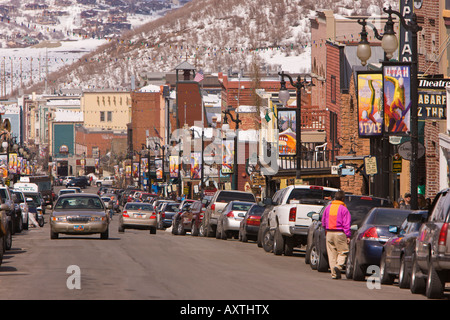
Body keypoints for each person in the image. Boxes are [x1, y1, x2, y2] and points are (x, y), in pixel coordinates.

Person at [321, 190, 351, 279]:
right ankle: (338, 267)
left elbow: (323, 221)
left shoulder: (328, 208)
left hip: (329, 233)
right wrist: (348, 235)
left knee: (332, 254)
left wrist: (326, 229)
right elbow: (346, 224)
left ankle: (334, 274)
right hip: (340, 233)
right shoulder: (344, 209)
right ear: (343, 199)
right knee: (343, 252)